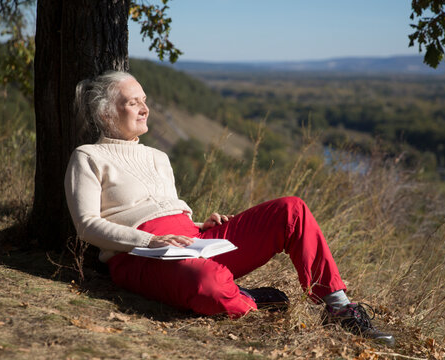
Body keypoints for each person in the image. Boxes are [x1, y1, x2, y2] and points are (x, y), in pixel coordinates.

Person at [64, 70, 395, 346]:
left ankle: (339, 309)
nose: (144, 109)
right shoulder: (89, 157)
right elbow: (86, 224)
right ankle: (246, 298)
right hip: (139, 256)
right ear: (106, 113)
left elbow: (166, 209)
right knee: (208, 284)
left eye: (145, 101)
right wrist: (152, 241)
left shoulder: (158, 157)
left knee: (291, 210)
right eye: (133, 102)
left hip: (190, 243)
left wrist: (199, 227)